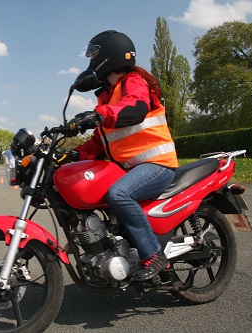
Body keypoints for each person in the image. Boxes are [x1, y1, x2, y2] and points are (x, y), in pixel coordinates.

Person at [67, 30, 178, 281]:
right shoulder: (107, 95)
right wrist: (72, 154)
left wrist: (100, 114)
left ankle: (154, 256)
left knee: (119, 194)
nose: (92, 61)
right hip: (133, 169)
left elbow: (135, 107)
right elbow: (99, 141)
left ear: (109, 56)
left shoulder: (133, 81)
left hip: (157, 165)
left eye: (94, 54)